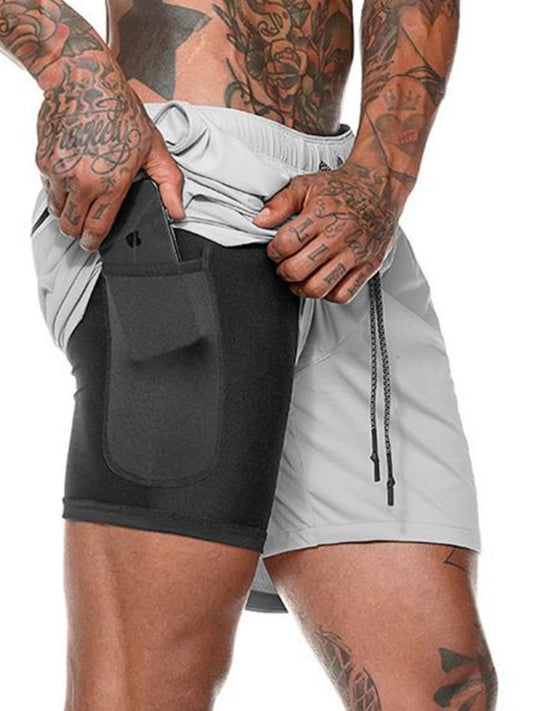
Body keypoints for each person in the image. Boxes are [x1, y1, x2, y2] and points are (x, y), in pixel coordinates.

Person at [1, 0, 497, 708]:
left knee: (442, 689)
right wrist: (70, 64)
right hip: (184, 186)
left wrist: (379, 179)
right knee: (153, 686)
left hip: (346, 208)